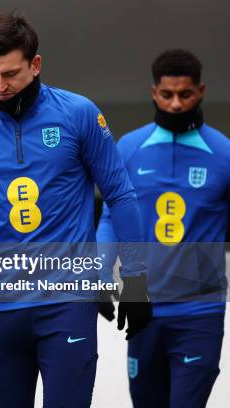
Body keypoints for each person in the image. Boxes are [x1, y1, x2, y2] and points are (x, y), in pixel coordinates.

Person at [0, 12, 153, 407]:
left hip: (66, 301)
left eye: (10, 74)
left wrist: (135, 278)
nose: (0, 86)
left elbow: (120, 194)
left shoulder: (78, 114)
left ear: (35, 65)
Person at [96, 49, 229, 408]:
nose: (174, 104)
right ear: (154, 92)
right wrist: (101, 271)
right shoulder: (130, 148)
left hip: (200, 311)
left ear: (200, 91)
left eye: (184, 95)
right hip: (143, 306)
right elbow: (110, 216)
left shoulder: (224, 153)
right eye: (166, 94)